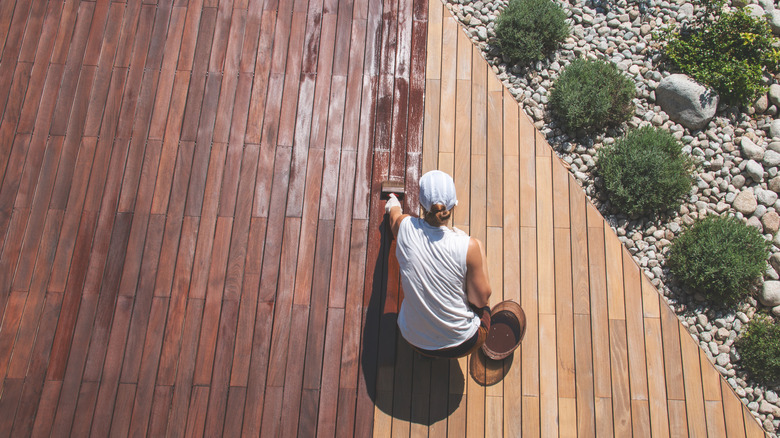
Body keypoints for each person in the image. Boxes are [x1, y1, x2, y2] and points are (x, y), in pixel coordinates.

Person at [384, 170, 492, 358]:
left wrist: (393, 202)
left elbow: (394, 217)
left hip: (414, 339)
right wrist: (478, 250)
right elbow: (480, 300)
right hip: (463, 343)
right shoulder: (469, 246)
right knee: (485, 301)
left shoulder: (405, 228)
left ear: (421, 205)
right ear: (453, 206)